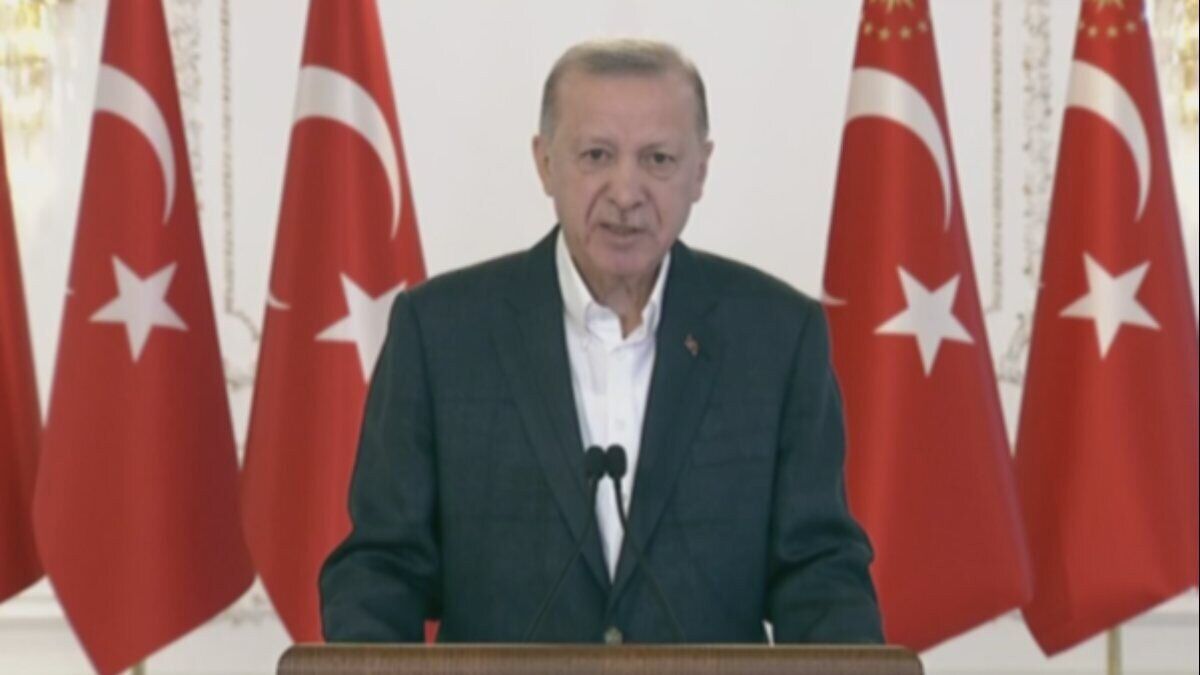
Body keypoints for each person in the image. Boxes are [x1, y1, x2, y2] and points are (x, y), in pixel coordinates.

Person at [319, 38, 883, 644]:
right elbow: (383, 568)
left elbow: (818, 572)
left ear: (700, 170)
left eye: (658, 159)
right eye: (596, 155)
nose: (625, 192)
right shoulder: (441, 333)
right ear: (545, 163)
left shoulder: (776, 337)